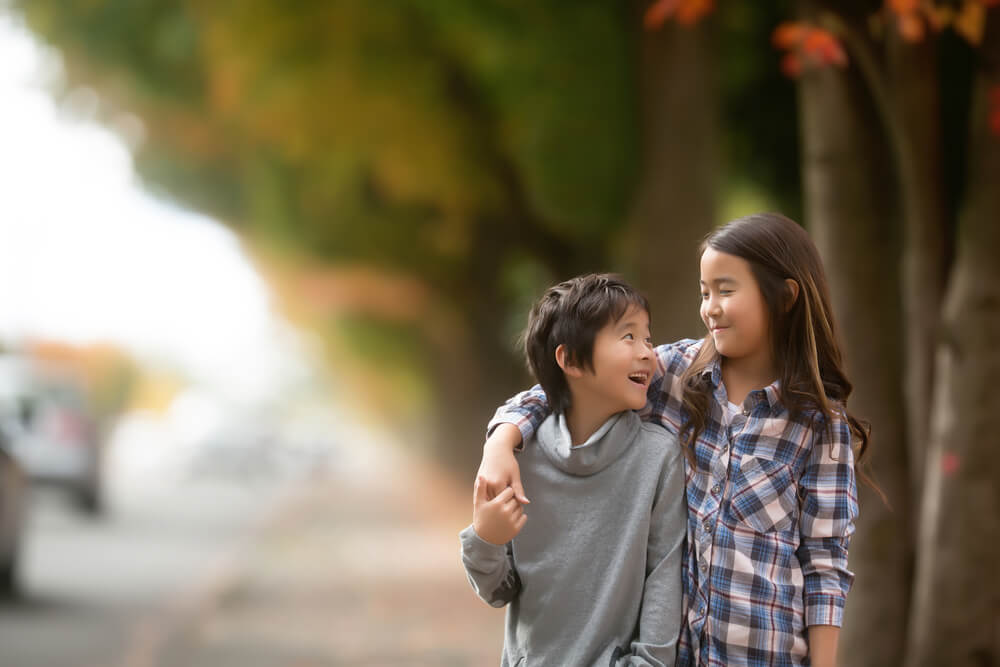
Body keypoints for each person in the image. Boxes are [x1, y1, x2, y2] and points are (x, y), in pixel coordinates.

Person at [479, 213, 871, 667]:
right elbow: (566, 387)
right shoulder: (674, 377)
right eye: (705, 292)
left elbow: (824, 565)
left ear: (785, 296)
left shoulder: (819, 423)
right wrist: (500, 443)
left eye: (726, 290)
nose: (710, 307)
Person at [460, 273, 687, 667]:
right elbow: (496, 591)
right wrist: (486, 538)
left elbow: (664, 581)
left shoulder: (659, 456)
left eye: (647, 338)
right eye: (628, 336)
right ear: (569, 360)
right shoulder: (519, 457)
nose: (649, 353)